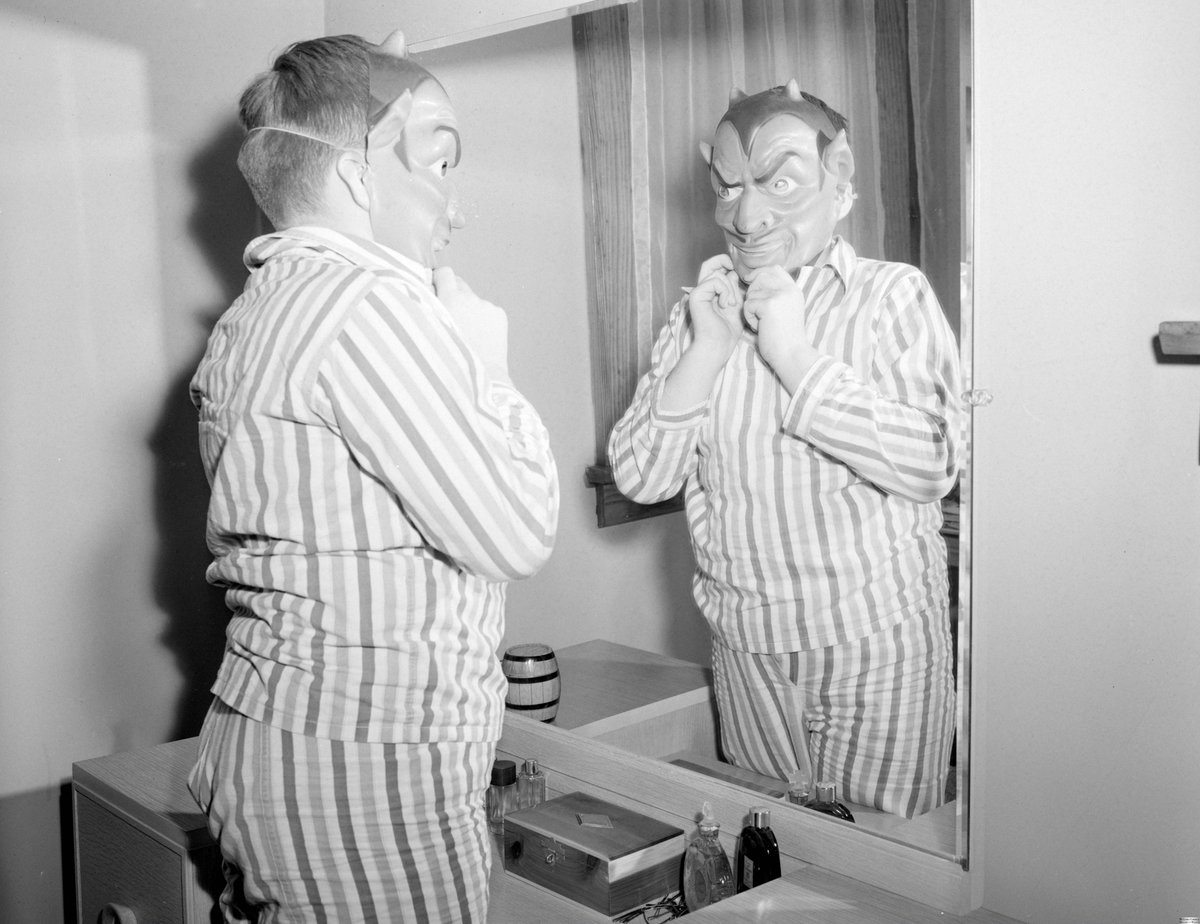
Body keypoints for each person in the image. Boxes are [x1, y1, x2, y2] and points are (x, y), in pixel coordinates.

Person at [187, 31, 559, 922]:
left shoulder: (261, 310)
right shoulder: (363, 307)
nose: (454, 208)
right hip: (365, 767)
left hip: (287, 743)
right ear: (358, 177)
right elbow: (519, 530)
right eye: (437, 161)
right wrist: (490, 366)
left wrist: (377, 85)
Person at [608, 80, 962, 819]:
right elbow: (641, 476)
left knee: (880, 877)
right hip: (746, 657)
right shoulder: (699, 313)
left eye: (779, 182)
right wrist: (706, 352)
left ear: (841, 185)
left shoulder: (891, 298)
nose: (745, 214)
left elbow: (932, 460)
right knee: (773, 872)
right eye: (728, 187)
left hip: (877, 648)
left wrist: (796, 356)